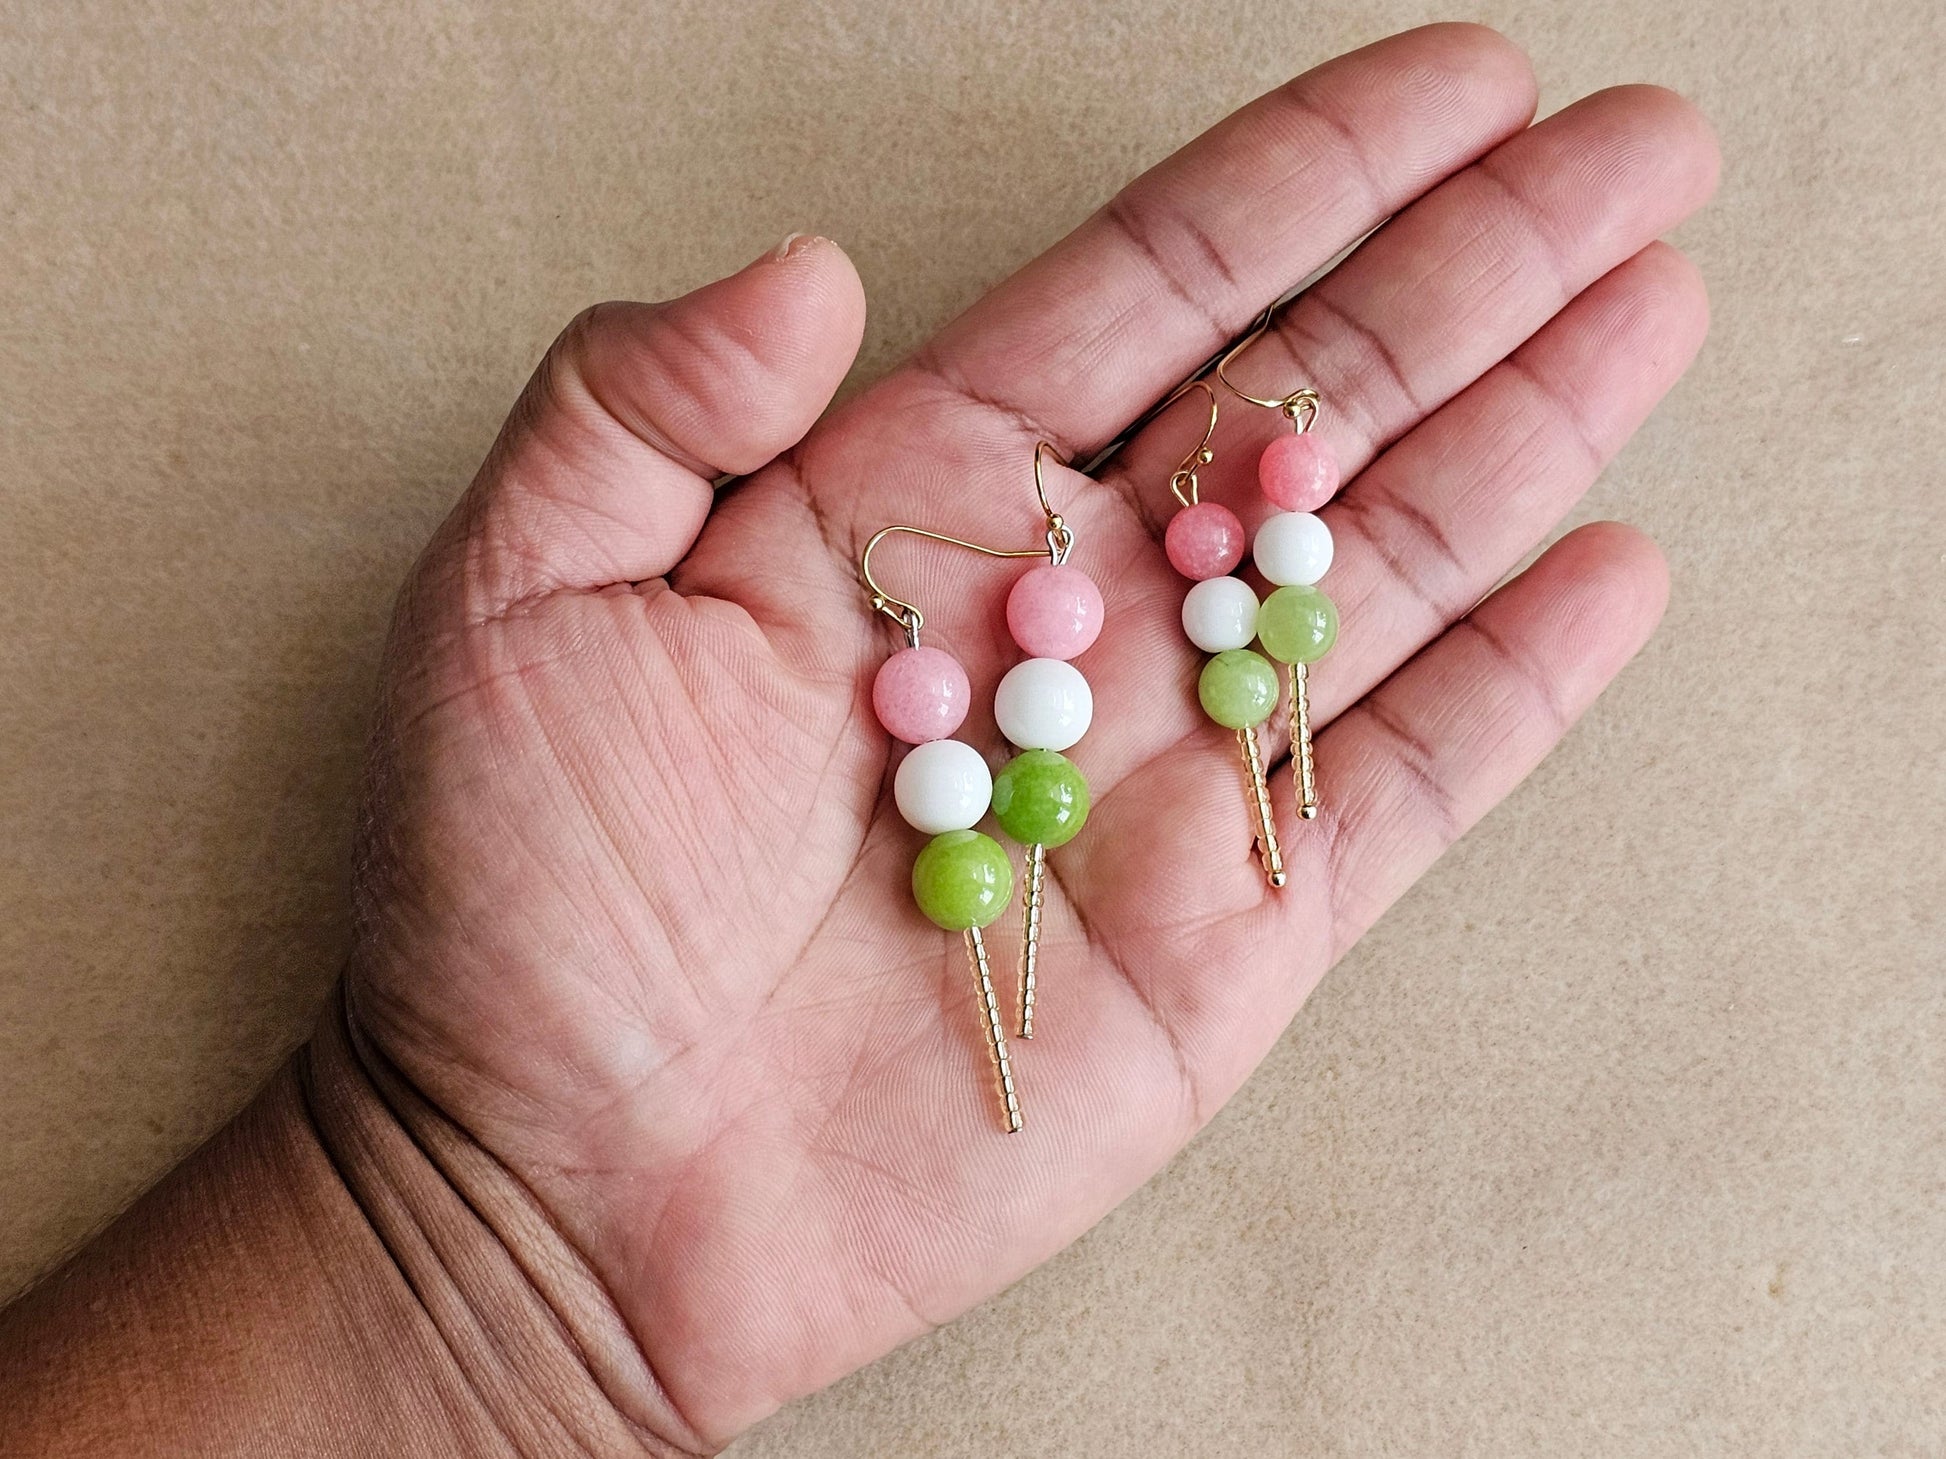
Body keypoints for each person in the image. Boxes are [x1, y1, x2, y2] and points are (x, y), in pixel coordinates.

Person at [0, 23, 1716, 1457]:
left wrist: (471, 1291)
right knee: (1017, 824)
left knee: (1094, 774)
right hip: (1002, 786)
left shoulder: (1179, 613)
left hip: (1079, 730)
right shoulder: (992, 694)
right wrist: (468, 1246)